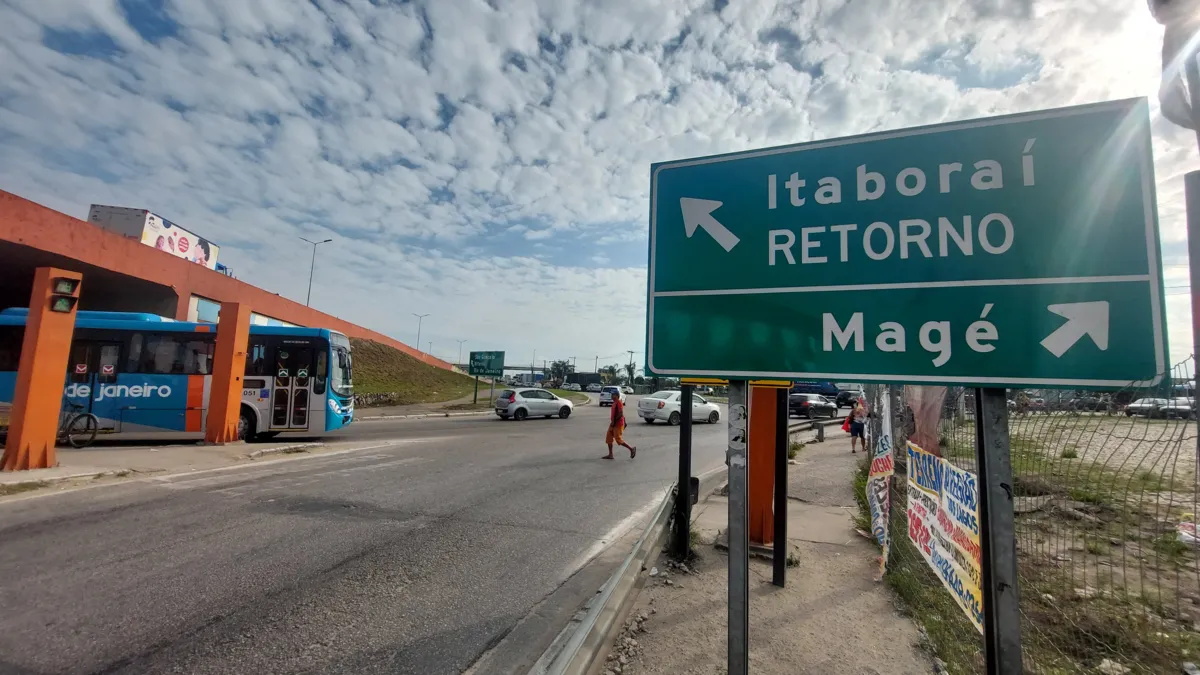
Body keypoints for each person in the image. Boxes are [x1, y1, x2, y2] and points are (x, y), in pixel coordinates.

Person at [603, 391, 636, 460]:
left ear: (617, 396)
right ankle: (610, 454)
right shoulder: (614, 403)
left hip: (618, 424)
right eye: (612, 395)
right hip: (613, 423)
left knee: (618, 439)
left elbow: (621, 414)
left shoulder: (619, 403)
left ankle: (631, 449)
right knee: (609, 438)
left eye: (613, 395)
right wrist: (612, 422)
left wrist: (614, 421)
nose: (612, 396)